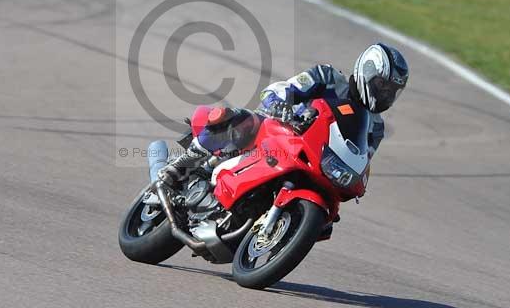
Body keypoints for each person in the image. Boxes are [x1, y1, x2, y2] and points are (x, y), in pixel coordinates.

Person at [158, 43, 410, 198]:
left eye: (392, 91)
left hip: (314, 162)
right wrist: (279, 103)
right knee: (241, 119)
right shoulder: (329, 77)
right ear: (366, 71)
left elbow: (361, 159)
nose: (385, 94)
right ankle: (182, 164)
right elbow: (286, 88)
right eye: (381, 85)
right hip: (278, 134)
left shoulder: (375, 128)